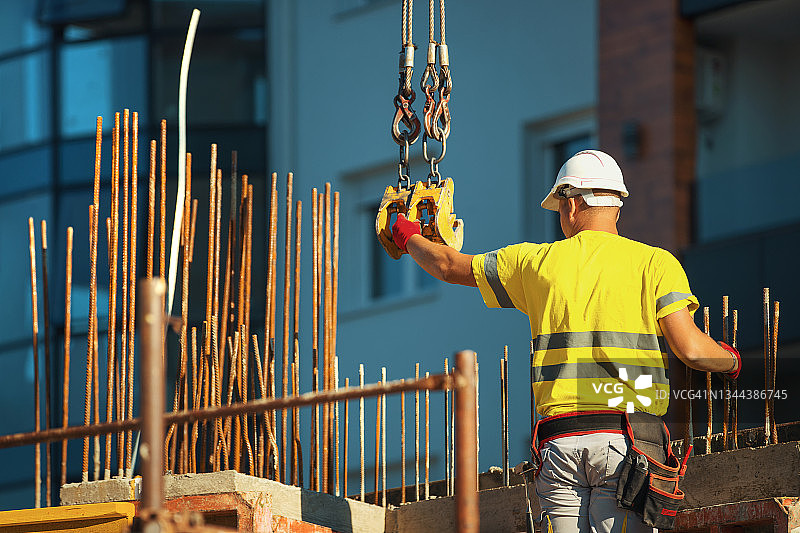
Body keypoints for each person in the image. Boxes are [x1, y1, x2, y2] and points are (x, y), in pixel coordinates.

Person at [390, 149, 740, 533]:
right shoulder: (656, 264)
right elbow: (690, 348)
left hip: (559, 444)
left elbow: (447, 265)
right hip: (627, 444)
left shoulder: (534, 262)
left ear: (572, 204)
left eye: (558, 208)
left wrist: (408, 236)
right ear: (616, 205)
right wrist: (731, 360)